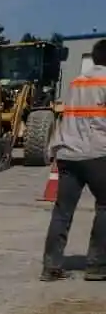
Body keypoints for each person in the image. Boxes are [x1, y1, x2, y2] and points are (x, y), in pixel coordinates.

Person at [42, 38, 106, 281]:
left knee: (62, 211)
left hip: (68, 154)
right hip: (97, 153)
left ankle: (51, 266)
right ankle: (97, 265)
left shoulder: (76, 82)